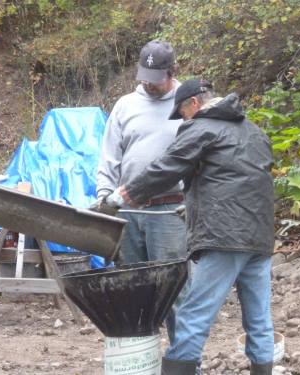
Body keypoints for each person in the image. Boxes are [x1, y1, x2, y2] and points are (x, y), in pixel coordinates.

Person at [112, 79, 275, 375]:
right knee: (259, 320)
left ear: (195, 104)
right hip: (260, 238)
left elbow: (169, 165)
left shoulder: (201, 127)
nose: (182, 119)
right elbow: (242, 179)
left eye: (182, 113)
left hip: (225, 238)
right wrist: (195, 205)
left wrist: (127, 193)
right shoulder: (255, 132)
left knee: (194, 315)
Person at [93, 40, 187, 341]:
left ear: (172, 72)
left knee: (175, 291)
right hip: (127, 212)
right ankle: (138, 359)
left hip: (170, 211)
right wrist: (103, 199)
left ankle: (183, 364)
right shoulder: (125, 105)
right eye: (144, 77)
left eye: (155, 79)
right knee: (131, 289)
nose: (148, 84)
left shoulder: (188, 102)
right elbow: (109, 156)